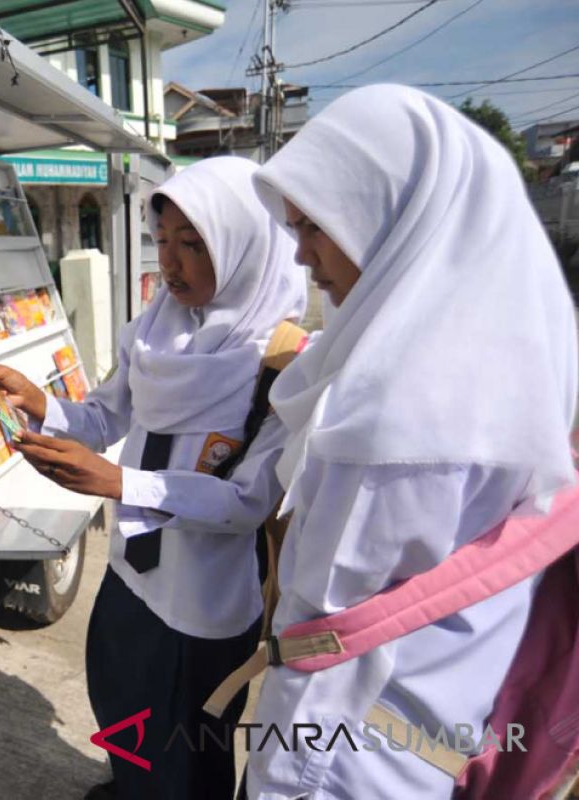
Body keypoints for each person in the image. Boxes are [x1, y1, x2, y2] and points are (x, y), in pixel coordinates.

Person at [238, 84, 577, 799]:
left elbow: (322, 614)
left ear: (392, 212)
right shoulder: (510, 362)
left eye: (314, 225)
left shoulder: (401, 407)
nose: (300, 254)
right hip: (428, 742)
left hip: (334, 759)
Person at [0, 156, 306, 800]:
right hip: (131, 573)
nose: (171, 263)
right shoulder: (154, 332)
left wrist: (121, 484)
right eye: (162, 241)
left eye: (193, 244)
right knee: (123, 714)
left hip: (200, 603)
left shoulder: (280, 364)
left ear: (245, 246)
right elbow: (104, 417)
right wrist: (38, 403)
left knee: (189, 757)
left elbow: (246, 503)